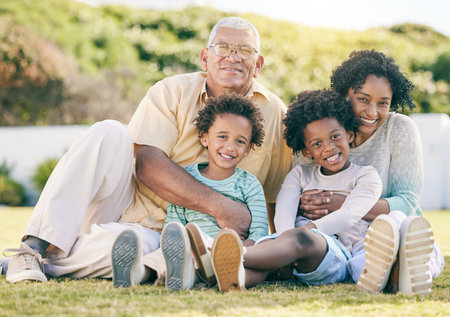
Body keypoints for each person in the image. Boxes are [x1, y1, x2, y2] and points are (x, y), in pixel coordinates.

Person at [2, 17, 292, 285]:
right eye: (223, 47)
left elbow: (280, 195)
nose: (233, 56)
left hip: (173, 237)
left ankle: (41, 263)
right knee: (109, 131)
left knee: (123, 251)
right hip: (127, 206)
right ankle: (32, 248)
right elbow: (148, 165)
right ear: (205, 57)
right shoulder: (172, 91)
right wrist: (220, 206)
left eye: (244, 50)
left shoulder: (277, 114)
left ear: (258, 64)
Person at [296, 50, 444, 294]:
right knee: (350, 253)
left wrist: (343, 204)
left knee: (397, 222)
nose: (372, 112)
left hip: (391, 226)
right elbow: (303, 195)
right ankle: (393, 271)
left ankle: (405, 264)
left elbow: (406, 201)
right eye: (363, 99)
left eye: (382, 103)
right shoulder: (320, 129)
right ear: (344, 93)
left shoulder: (400, 129)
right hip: (342, 236)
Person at [208, 88, 383, 290]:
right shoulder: (300, 174)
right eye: (317, 143)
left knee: (303, 238)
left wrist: (303, 233)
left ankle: (223, 256)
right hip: (288, 246)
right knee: (268, 254)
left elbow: (348, 216)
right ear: (307, 151)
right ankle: (230, 278)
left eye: (335, 137)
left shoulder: (366, 176)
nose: (328, 147)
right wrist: (285, 246)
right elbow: (284, 212)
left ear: (350, 135)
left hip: (334, 254)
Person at [126, 93, 269, 290]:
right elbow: (174, 224)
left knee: (209, 261)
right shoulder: (187, 178)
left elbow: (260, 232)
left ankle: (193, 274)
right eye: (222, 137)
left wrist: (240, 253)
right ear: (204, 138)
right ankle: (138, 272)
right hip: (187, 249)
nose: (230, 146)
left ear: (248, 149)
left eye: (240, 141)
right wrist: (178, 245)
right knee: (161, 256)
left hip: (225, 255)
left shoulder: (249, 185)